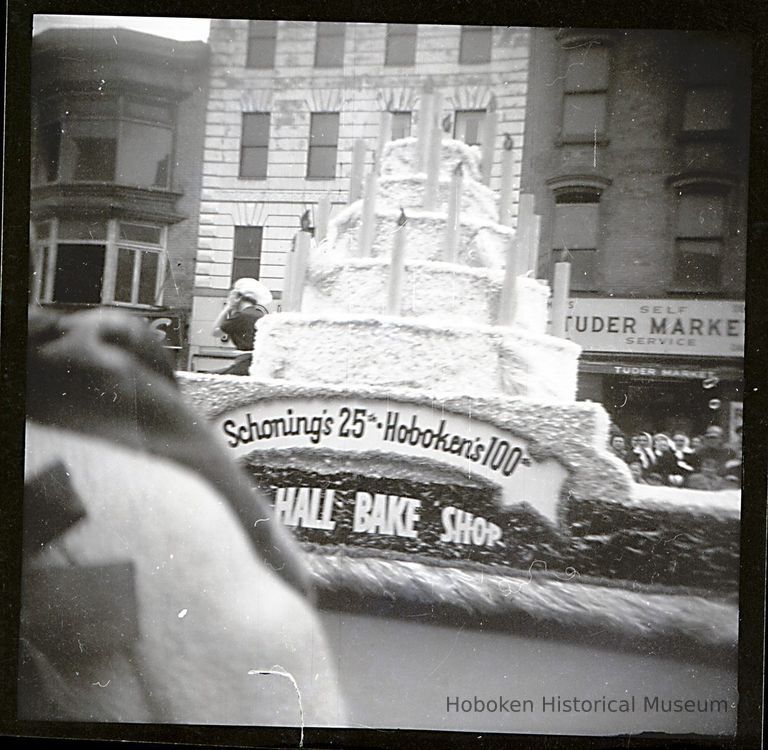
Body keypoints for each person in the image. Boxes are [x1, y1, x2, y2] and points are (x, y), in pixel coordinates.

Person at [213, 277, 273, 375]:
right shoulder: (259, 314)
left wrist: (228, 307)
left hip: (245, 362)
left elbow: (215, 332)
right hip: (257, 363)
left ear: (238, 297)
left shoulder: (241, 316)